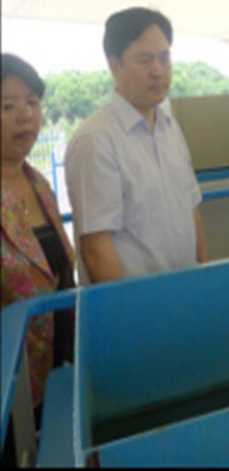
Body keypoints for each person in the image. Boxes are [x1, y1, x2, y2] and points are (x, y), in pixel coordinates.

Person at [64, 7, 207, 284]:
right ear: (114, 65)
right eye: (145, 60)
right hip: (136, 305)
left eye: (164, 58)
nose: (158, 71)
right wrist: (133, 307)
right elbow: (96, 249)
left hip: (187, 295)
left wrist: (204, 282)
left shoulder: (171, 129)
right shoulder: (96, 141)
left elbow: (192, 212)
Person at [2, 54, 77, 460]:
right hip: (8, 389)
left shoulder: (40, 185)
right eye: (7, 106)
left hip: (55, 375)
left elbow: (58, 271)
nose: (25, 116)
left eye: (32, 102)